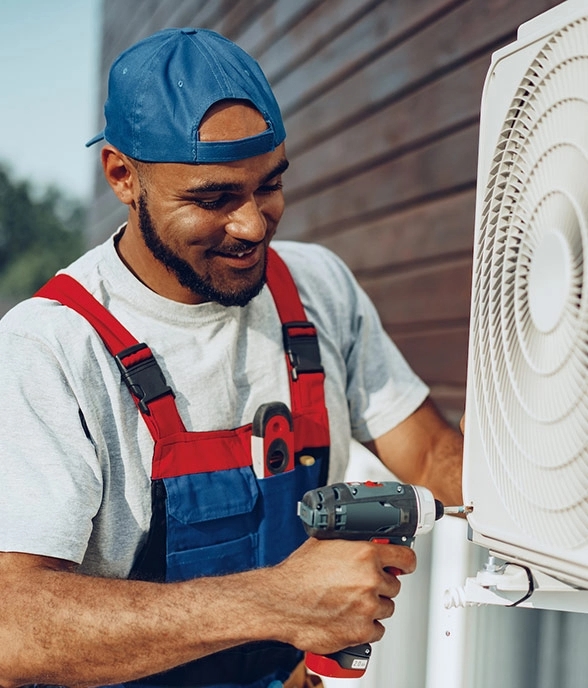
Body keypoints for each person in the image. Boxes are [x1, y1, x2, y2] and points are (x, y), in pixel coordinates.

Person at [0, 27, 463, 688]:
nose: (252, 226)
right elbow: (13, 628)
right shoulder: (52, 346)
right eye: (213, 199)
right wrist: (281, 602)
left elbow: (430, 457)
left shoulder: (316, 288)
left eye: (269, 185)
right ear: (123, 176)